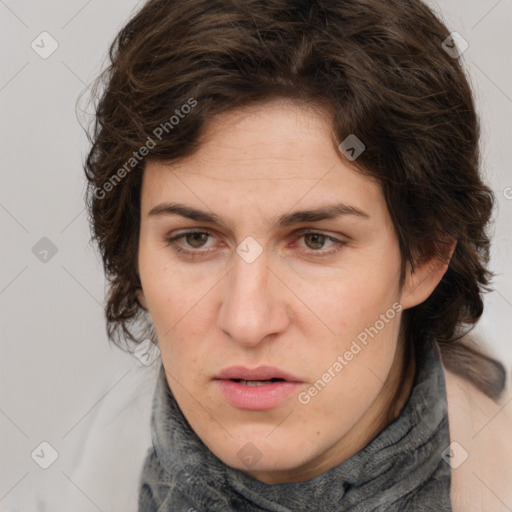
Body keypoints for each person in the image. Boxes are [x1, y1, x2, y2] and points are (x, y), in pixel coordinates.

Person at [83, 0, 512, 510]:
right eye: (195, 239)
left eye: (315, 241)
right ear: (134, 260)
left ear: (424, 258)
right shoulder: (79, 483)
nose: (247, 320)